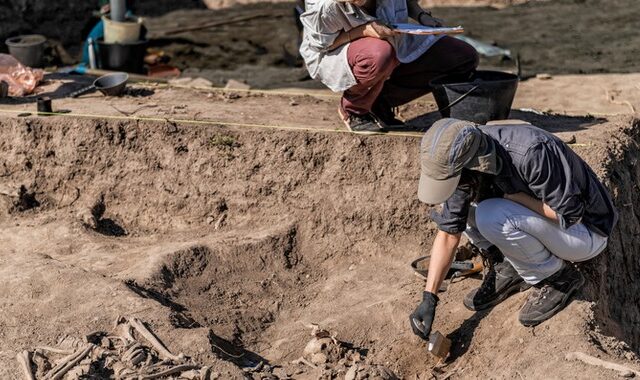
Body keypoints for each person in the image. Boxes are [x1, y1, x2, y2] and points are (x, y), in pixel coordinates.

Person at [409, 118, 618, 341]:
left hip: (586, 232)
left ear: (471, 162)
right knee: (464, 208)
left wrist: (514, 198)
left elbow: (569, 215)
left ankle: (557, 278)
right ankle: (509, 266)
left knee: (490, 215)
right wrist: (429, 297)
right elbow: (449, 232)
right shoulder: (465, 160)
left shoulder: (531, 153)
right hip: (545, 224)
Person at [299, 0, 478, 133]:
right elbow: (323, 45)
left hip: (393, 41)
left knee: (462, 57)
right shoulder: (326, 6)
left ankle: (379, 103)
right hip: (338, 51)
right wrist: (363, 31)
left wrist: (422, 16)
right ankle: (354, 109)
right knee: (380, 54)